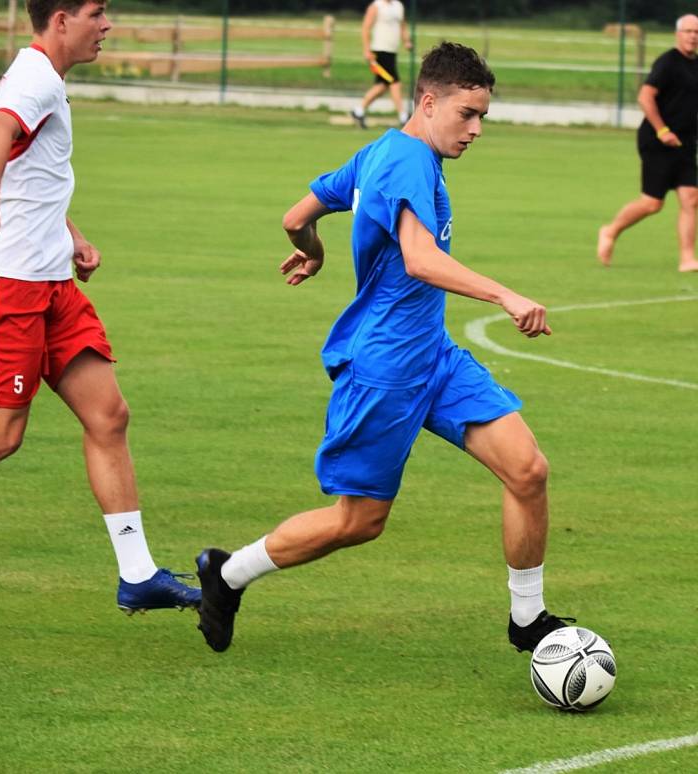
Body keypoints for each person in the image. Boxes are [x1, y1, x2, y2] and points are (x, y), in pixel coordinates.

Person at [195, 42, 572, 655]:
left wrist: (312, 249)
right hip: (384, 368)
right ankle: (227, 573)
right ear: (428, 101)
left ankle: (528, 618)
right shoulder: (406, 162)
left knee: (527, 470)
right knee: (359, 521)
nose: (475, 130)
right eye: (467, 114)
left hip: (434, 357)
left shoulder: (382, 152)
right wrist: (505, 295)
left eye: (482, 117)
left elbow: (297, 214)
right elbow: (422, 260)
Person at [0, 0, 200, 628]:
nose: (107, 25)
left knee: (108, 414)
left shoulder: (47, 81)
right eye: (95, 12)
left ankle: (138, 574)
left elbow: (33, 176)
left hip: (51, 284)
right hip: (7, 286)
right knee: (0, 435)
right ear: (60, 19)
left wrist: (71, 235)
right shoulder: (34, 77)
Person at [598, 15, 698, 272]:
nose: (693, 36)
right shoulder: (668, 62)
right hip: (657, 141)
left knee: (691, 198)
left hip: (685, 142)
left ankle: (687, 258)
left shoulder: (695, 65)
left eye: (696, 31)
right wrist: (662, 130)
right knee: (653, 203)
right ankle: (610, 231)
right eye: (688, 31)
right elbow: (645, 97)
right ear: (678, 34)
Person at [350, 0, 413, 129]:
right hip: (379, 51)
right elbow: (366, 27)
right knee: (394, 82)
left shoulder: (398, 6)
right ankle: (403, 115)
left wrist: (406, 41)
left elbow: (403, 26)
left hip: (392, 51)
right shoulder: (376, 6)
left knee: (383, 85)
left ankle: (358, 110)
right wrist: (366, 49)